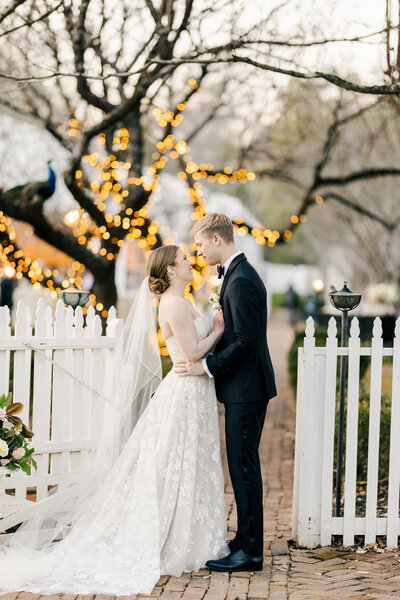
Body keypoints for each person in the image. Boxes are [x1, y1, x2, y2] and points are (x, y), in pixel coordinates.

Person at [0, 245, 228, 596]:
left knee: (184, 464)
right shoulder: (174, 304)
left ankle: (189, 537)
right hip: (185, 392)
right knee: (175, 464)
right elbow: (194, 352)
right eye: (183, 259)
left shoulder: (179, 301)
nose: (189, 262)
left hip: (192, 390)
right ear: (169, 270)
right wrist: (218, 329)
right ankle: (174, 537)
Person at [175, 213, 277, 573]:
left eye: (201, 244)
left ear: (217, 240)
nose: (198, 251)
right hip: (243, 388)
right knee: (240, 465)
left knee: (244, 467)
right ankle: (244, 538)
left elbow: (246, 342)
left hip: (247, 388)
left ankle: (250, 551)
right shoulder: (236, 275)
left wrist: (206, 366)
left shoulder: (242, 281)